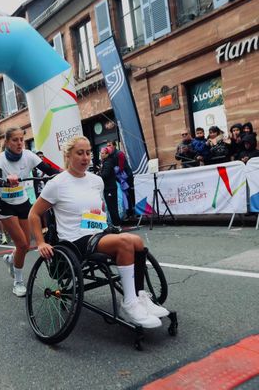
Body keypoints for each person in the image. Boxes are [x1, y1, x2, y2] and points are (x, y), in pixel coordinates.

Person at [28, 136, 168, 328]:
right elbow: (34, 214)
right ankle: (129, 304)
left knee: (136, 241)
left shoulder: (96, 180)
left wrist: (100, 217)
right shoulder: (57, 183)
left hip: (96, 232)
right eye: (80, 153)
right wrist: (41, 242)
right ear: (68, 155)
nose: (85, 157)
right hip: (74, 240)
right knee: (125, 242)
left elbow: (99, 208)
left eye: (88, 153)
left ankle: (139, 296)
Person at [0, 127, 59, 297]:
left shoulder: (29, 155)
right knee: (22, 244)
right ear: (6, 142)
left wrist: (68, 173)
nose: (19, 143)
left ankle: (10, 259)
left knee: (26, 245)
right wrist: (6, 181)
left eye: (21, 139)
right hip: (5, 204)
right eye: (15, 140)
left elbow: (50, 170)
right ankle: (18, 281)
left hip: (22, 202)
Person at [99, 147, 121, 226]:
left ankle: (117, 225)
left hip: (110, 188)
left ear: (107, 154)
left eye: (102, 153)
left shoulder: (107, 162)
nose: (101, 155)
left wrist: (97, 176)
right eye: (100, 153)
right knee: (111, 207)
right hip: (109, 188)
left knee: (112, 208)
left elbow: (105, 175)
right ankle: (116, 224)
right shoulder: (106, 162)